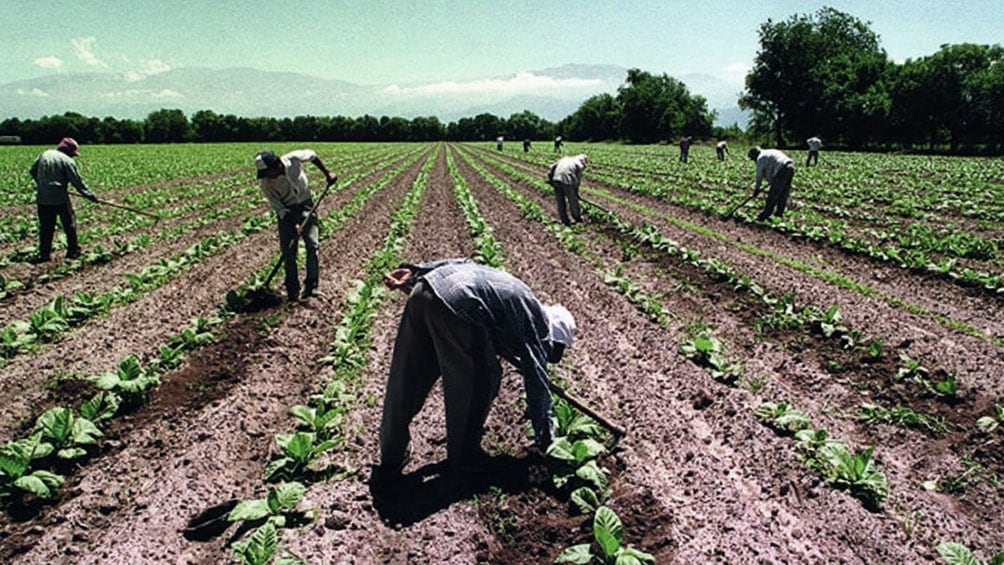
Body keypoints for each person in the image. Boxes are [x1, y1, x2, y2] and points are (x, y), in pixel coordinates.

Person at [377, 258, 576, 476]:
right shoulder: (536, 323)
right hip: (458, 305)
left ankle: (392, 454)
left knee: (408, 377)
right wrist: (547, 440)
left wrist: (416, 273)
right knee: (482, 379)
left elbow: (465, 263)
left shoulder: (517, 297)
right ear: (553, 337)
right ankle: (465, 456)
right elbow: (537, 382)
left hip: (423, 290)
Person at [255, 149, 336, 302]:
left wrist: (328, 173)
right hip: (286, 212)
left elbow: (313, 155)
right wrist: (293, 223)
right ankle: (292, 290)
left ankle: (311, 287)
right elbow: (278, 207)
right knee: (288, 252)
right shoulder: (266, 183)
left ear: (277, 165)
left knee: (312, 245)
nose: (268, 176)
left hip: (306, 205)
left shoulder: (293, 159)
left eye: (268, 172)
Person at [28, 137, 98, 263]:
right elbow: (77, 182)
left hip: (42, 197)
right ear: (69, 151)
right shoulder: (67, 161)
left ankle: (44, 255)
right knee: (69, 224)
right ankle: (73, 252)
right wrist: (90, 195)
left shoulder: (44, 154)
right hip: (59, 197)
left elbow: (32, 171)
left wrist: (43, 184)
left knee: (46, 227)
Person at [747, 146, 795, 222]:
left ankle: (765, 215)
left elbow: (759, 176)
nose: (754, 161)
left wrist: (757, 189)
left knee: (773, 194)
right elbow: (772, 167)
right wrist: (773, 180)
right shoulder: (769, 152)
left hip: (782, 169)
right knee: (783, 193)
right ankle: (779, 215)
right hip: (790, 167)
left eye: (753, 159)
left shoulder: (760, 158)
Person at [547, 154, 588, 226]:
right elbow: (577, 180)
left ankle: (564, 219)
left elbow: (552, 167)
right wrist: (576, 192)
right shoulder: (579, 164)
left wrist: (550, 179)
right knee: (573, 200)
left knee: (560, 201)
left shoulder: (565, 159)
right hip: (567, 180)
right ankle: (577, 218)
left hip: (556, 179)